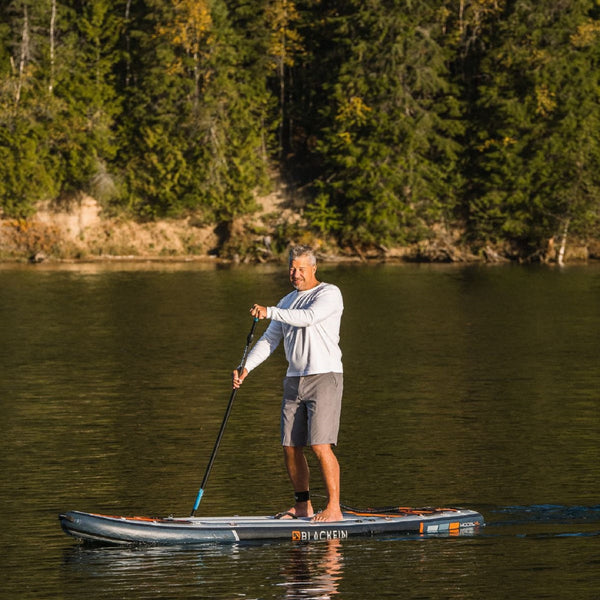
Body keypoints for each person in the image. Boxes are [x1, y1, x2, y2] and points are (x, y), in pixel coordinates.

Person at [232, 245, 344, 522]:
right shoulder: (286, 301)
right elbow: (270, 339)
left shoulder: (329, 294)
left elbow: (308, 319)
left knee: (320, 445)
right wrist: (246, 367)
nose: (295, 274)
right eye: (291, 268)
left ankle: (334, 509)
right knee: (290, 446)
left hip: (324, 376)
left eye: (300, 269)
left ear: (314, 268)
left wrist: (269, 310)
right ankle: (303, 505)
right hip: (294, 379)